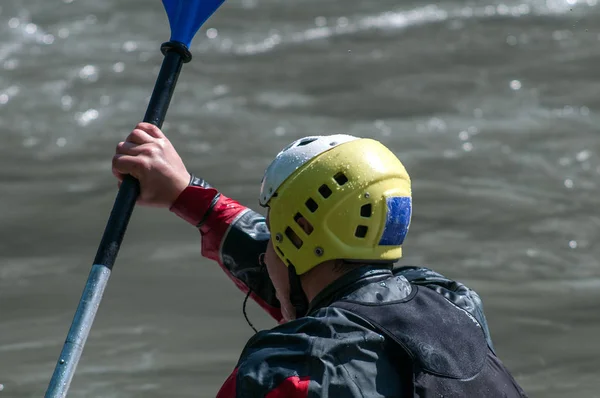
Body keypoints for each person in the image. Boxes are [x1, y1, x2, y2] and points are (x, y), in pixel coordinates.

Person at [112, 122, 528, 397]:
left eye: (275, 236)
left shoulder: (285, 371)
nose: (268, 249)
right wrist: (190, 196)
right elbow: (338, 302)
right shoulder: (455, 306)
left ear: (293, 244)